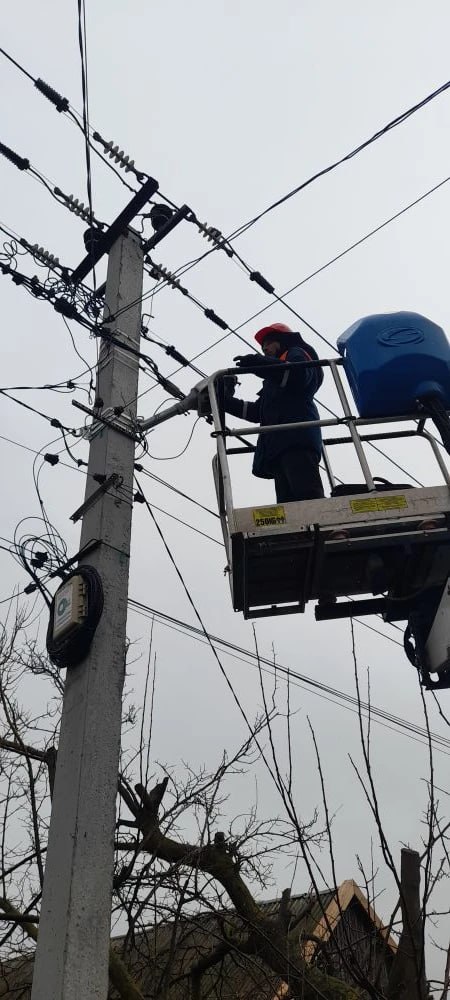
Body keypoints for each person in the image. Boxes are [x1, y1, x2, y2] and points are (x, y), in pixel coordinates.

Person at [224, 323, 324, 503]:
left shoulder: (296, 353)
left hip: (296, 437)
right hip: (278, 445)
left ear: (282, 341)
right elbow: (256, 412)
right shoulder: (273, 380)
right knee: (288, 505)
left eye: (268, 343)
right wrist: (225, 402)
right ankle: (301, 532)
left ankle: (330, 530)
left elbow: (298, 377)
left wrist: (260, 364)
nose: (265, 349)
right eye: (262, 348)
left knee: (307, 493)